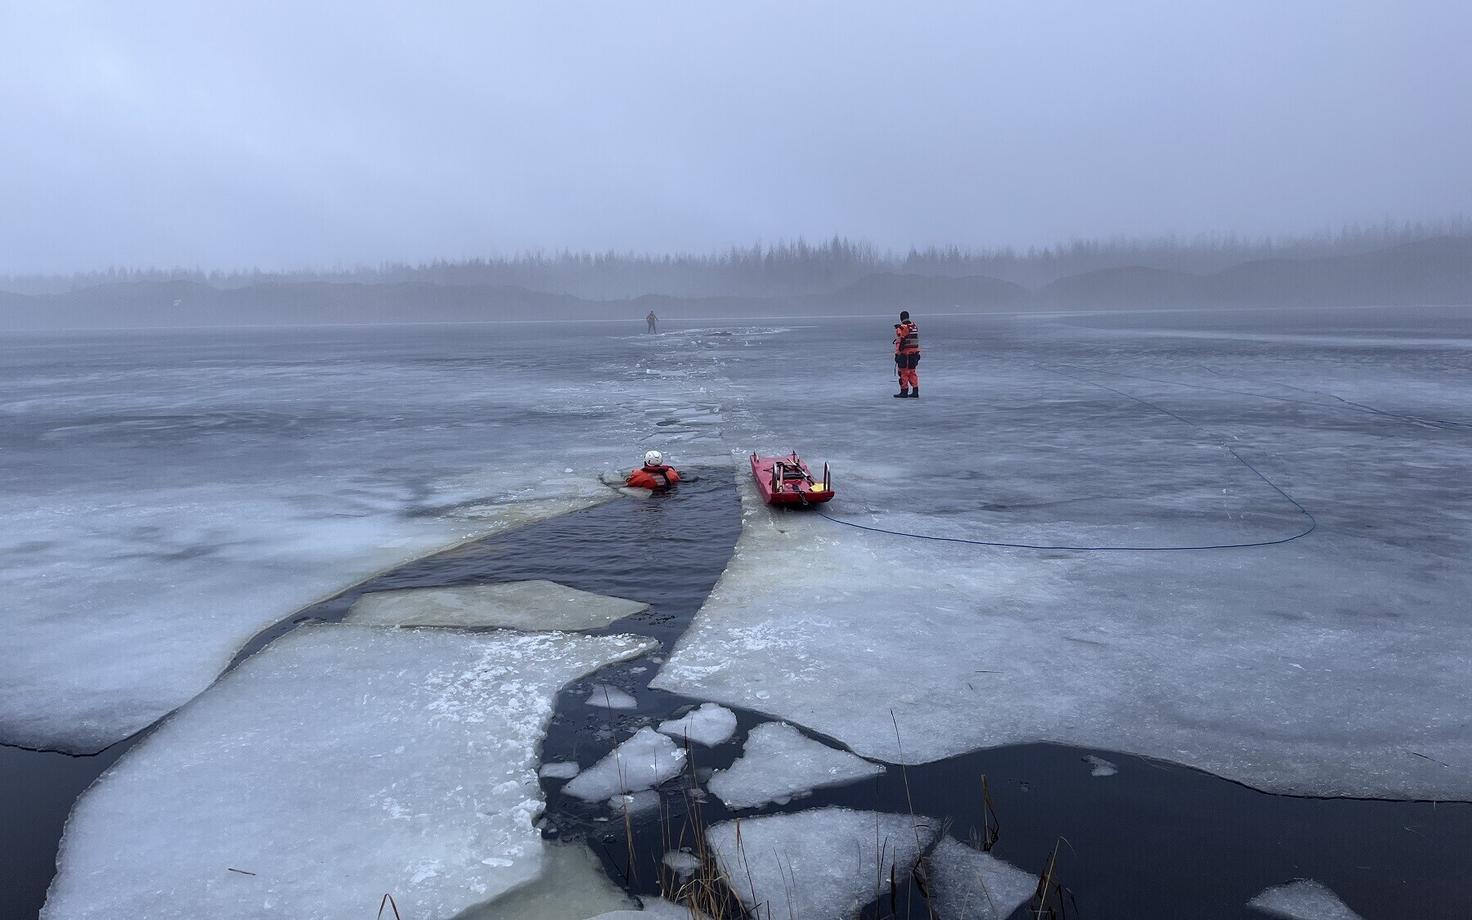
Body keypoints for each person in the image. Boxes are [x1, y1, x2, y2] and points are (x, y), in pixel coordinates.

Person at [893, 310, 920, 398]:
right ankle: (915, 391)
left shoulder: (902, 328)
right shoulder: (914, 326)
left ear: (901, 318)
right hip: (915, 354)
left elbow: (902, 340)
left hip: (905, 355)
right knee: (912, 372)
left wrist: (898, 354)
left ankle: (904, 392)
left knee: (903, 373)